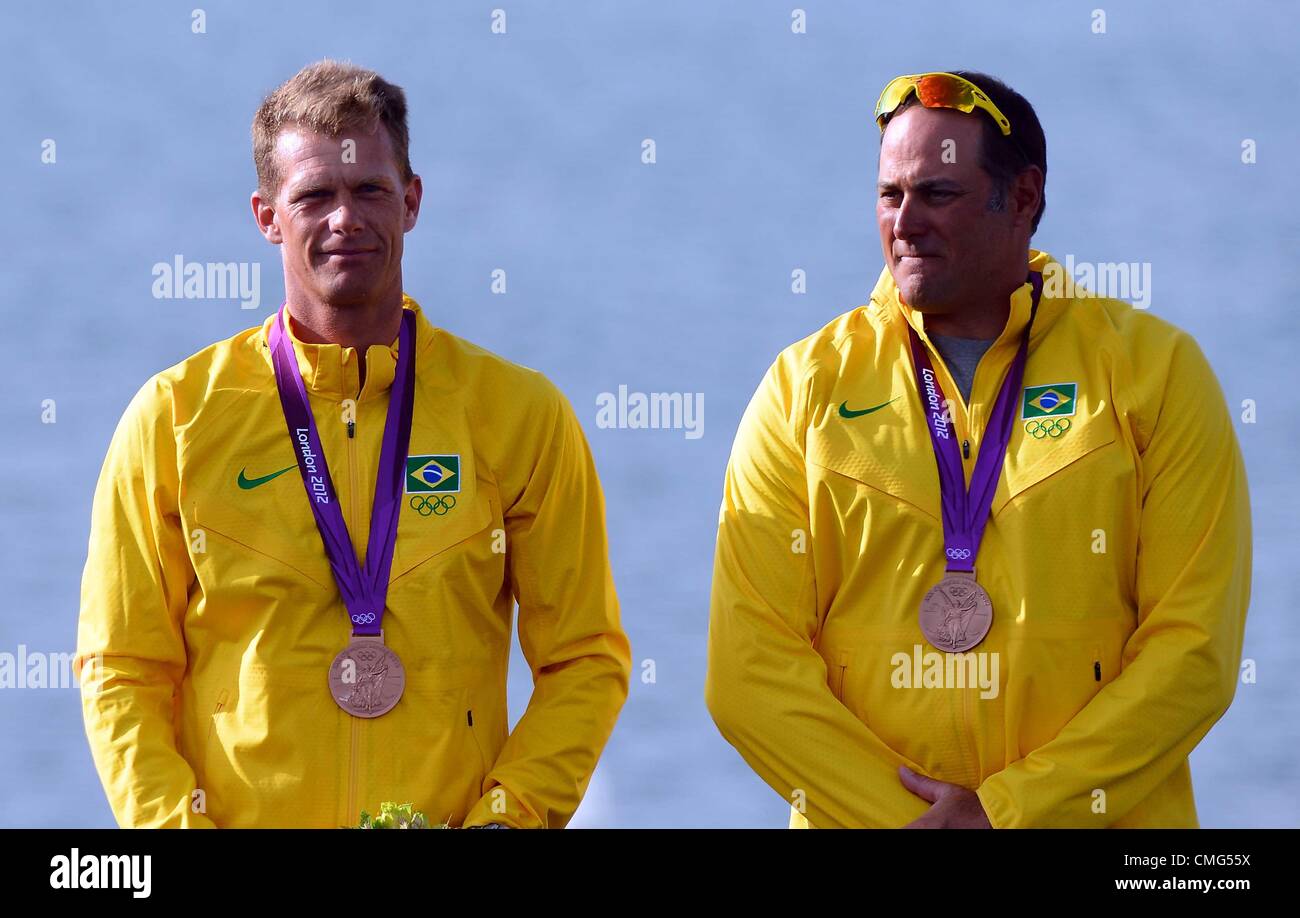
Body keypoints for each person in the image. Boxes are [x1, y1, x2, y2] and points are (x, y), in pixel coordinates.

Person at [75, 60, 630, 828]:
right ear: (267, 215)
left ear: (411, 201)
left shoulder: (519, 414)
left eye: (370, 189)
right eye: (314, 196)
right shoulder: (173, 418)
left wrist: (510, 818)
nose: (345, 219)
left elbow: (584, 662)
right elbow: (122, 669)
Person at [705, 71, 1251, 828]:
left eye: (938, 194)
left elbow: (1194, 656)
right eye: (889, 195)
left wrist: (1010, 813)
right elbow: (747, 673)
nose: (905, 222)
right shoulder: (804, 389)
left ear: (1022, 198)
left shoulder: (1153, 374)